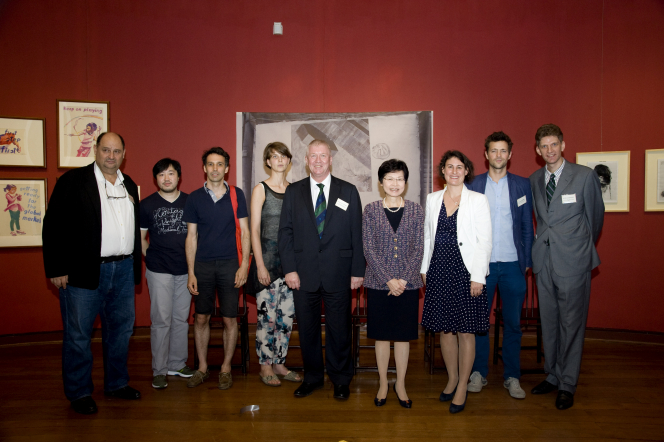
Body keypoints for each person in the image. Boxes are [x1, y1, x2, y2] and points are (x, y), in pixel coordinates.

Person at [42, 132, 142, 415]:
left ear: (124, 154)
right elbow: (53, 227)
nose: (111, 156)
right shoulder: (73, 182)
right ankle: (79, 392)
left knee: (121, 332)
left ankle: (116, 384)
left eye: (117, 151)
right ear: (96, 151)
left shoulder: (130, 185)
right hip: (83, 271)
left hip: (122, 269)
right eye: (106, 150)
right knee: (78, 335)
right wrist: (57, 267)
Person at [278, 139, 365, 400]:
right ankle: (313, 377)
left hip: (339, 272)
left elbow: (356, 234)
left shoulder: (348, 191)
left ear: (330, 160)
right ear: (305, 160)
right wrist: (290, 269)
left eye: (323, 156)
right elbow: (285, 234)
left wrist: (357, 270)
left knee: (340, 329)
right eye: (313, 156)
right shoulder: (294, 192)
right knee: (307, 330)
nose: (318, 160)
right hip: (303, 275)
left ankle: (340, 379)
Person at [529, 124, 604, 410]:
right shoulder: (535, 179)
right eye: (543, 146)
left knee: (571, 323)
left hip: (573, 260)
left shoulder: (584, 177)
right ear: (537, 150)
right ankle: (552, 374)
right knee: (549, 322)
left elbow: (595, 219)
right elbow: (540, 218)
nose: (549, 150)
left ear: (563, 145)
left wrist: (579, 248)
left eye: (553, 144)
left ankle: (568, 383)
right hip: (544, 262)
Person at [420, 150, 492, 414]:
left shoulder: (478, 200)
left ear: (466, 171)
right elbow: (428, 237)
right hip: (438, 269)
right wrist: (424, 267)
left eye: (459, 167)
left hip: (466, 272)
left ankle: (463, 384)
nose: (454, 171)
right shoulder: (432, 199)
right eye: (449, 166)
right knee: (445, 330)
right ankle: (451, 378)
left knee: (465, 330)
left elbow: (485, 242)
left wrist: (478, 276)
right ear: (442, 171)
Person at [466, 131, 534, 399]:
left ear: (510, 154)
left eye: (503, 151)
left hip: (513, 265)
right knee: (480, 322)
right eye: (493, 151)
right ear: (486, 155)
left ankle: (512, 376)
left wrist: (526, 261)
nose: (498, 155)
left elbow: (528, 226)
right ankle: (478, 373)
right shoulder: (474, 184)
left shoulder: (522, 185)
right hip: (483, 267)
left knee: (514, 324)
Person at [183, 147, 250, 390]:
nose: (215, 169)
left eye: (219, 164)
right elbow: (191, 237)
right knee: (201, 317)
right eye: (210, 164)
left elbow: (245, 231)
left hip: (231, 265)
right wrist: (190, 271)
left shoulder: (236, 194)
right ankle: (202, 368)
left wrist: (244, 265)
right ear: (204, 168)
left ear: (227, 168)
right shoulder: (194, 198)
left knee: (230, 319)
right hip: (202, 266)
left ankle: (225, 368)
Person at [362, 159, 424, 408]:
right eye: (389, 178)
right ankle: (383, 383)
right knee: (381, 336)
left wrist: (404, 279)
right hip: (379, 284)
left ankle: (400, 383)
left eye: (399, 178)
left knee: (402, 337)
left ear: (405, 182)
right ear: (381, 182)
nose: (394, 183)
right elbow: (369, 248)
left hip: (407, 285)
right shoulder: (371, 209)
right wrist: (388, 279)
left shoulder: (417, 210)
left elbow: (419, 248)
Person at [249, 142, 302, 387]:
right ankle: (265, 366)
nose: (279, 160)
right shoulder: (261, 189)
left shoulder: (295, 190)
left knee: (286, 318)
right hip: (267, 262)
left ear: (289, 161)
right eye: (274, 156)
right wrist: (259, 265)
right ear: (268, 161)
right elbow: (255, 230)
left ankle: (280, 363)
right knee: (266, 318)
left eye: (284, 156)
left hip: (290, 265)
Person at [140, 158, 195, 390]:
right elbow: (141, 238)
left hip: (185, 271)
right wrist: (150, 258)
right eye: (161, 175)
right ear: (156, 179)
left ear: (178, 176)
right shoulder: (146, 204)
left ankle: (177, 363)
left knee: (181, 320)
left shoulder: (191, 202)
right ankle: (160, 369)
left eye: (170, 173)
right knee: (161, 321)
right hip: (159, 271)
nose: (166, 178)